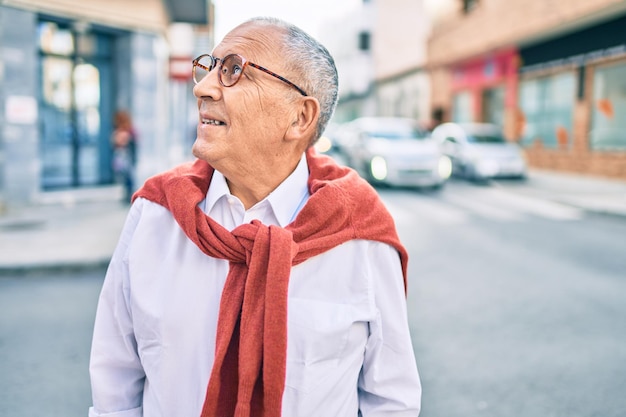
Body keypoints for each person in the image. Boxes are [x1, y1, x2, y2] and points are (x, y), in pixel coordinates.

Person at [89, 16, 421, 417]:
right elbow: (115, 382)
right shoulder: (156, 212)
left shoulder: (359, 233)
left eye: (232, 70)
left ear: (299, 117)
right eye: (208, 67)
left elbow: (391, 399)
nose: (203, 87)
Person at [111, 110, 137, 202]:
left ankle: (128, 194)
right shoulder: (128, 130)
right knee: (126, 176)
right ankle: (127, 194)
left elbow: (118, 141)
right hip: (125, 156)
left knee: (127, 176)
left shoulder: (126, 131)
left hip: (125, 156)